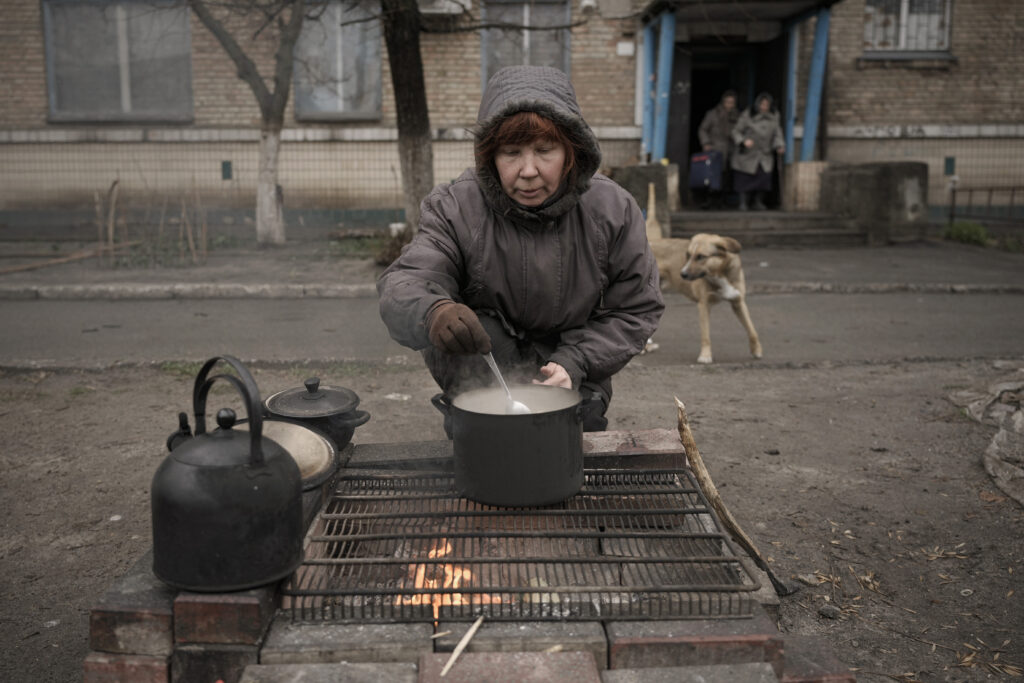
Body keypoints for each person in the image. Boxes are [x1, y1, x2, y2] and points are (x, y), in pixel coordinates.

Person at [377, 65, 665, 435]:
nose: (528, 170)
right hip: (481, 372)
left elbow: (636, 307)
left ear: (571, 151)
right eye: (511, 152)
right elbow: (407, 281)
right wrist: (432, 312)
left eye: (545, 150)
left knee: (568, 450)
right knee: (488, 451)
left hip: (575, 370)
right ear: (490, 157)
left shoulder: (613, 209)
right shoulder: (455, 207)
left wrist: (576, 362)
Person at [730, 92, 785, 211]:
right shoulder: (748, 115)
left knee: (763, 177)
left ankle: (758, 201)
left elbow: (777, 134)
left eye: (766, 105)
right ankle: (743, 202)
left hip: (764, 153)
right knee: (744, 178)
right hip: (748, 153)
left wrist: (779, 145)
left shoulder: (774, 117)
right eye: (762, 104)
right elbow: (736, 131)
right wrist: (743, 141)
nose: (764, 107)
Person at [696, 89, 739, 209]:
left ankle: (722, 201)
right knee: (711, 176)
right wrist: (706, 143)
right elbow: (703, 129)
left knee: (726, 177)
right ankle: (709, 201)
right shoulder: (713, 114)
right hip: (715, 149)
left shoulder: (736, 115)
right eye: (727, 102)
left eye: (732, 102)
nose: (729, 105)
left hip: (730, 150)